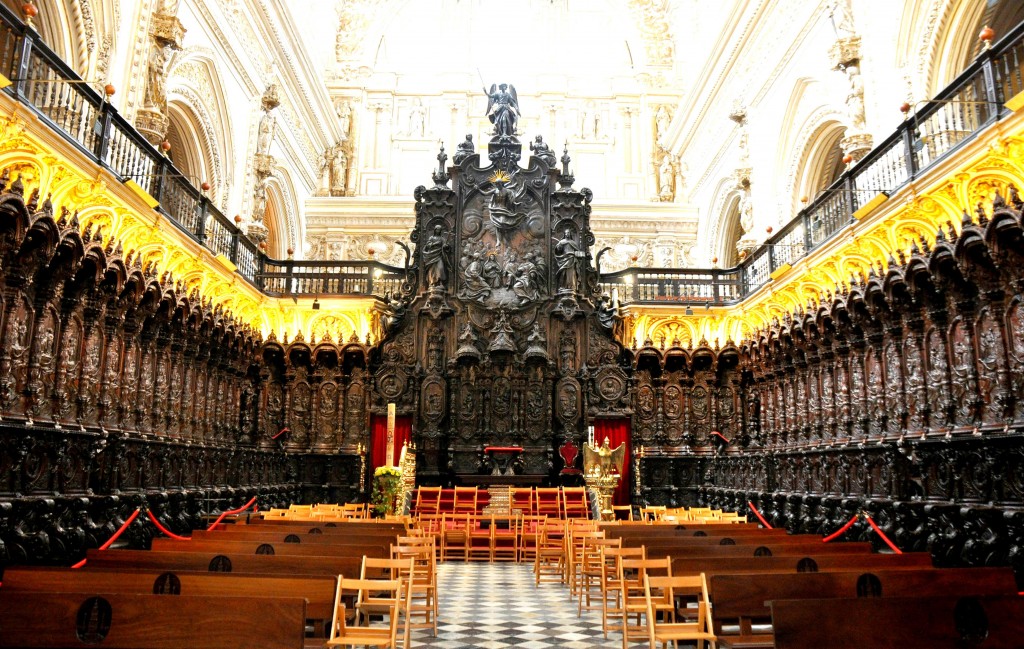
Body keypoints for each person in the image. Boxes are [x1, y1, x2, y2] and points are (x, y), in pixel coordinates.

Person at [555, 228, 586, 293]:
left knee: (571, 274)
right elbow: (558, 251)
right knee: (563, 273)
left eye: (568, 232)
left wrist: (578, 254)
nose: (567, 234)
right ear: (564, 234)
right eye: (566, 233)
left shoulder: (573, 242)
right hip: (564, 259)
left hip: (571, 259)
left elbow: (578, 252)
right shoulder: (561, 242)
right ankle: (562, 286)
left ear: (570, 234)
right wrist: (558, 247)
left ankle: (571, 287)